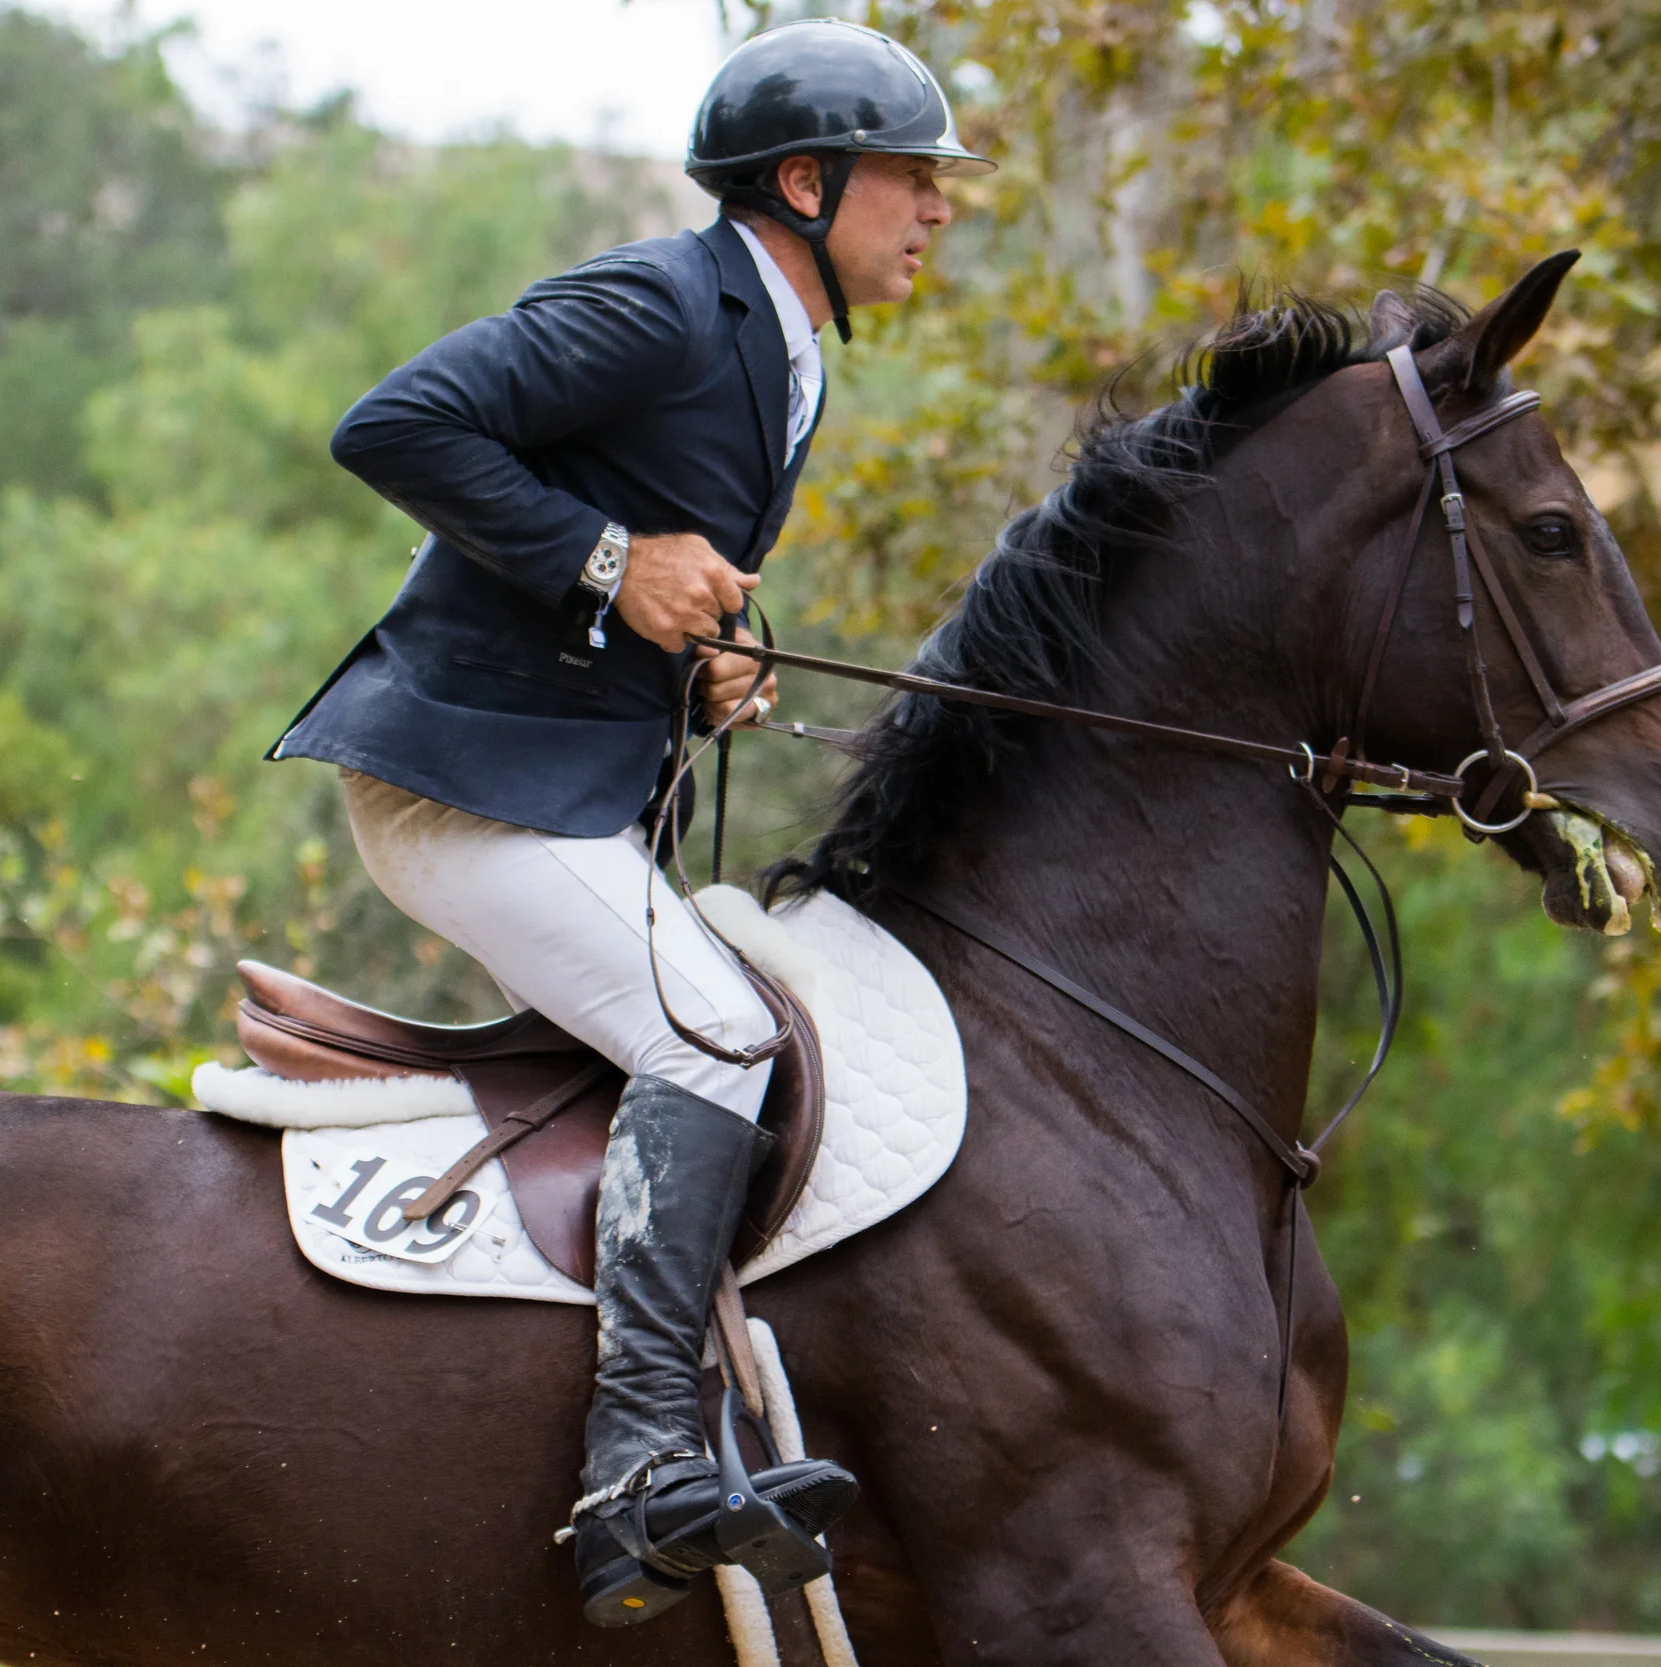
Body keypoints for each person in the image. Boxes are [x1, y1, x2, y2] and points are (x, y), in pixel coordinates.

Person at [265, 17, 992, 1629]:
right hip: (464, 784)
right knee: (716, 1035)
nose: (938, 209)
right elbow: (391, 424)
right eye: (911, 180)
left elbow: (648, 573)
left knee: (737, 1020)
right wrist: (612, 563)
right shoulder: (664, 301)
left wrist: (701, 651)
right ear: (803, 183)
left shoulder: (784, 349)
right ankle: (640, 1467)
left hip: (559, 783)